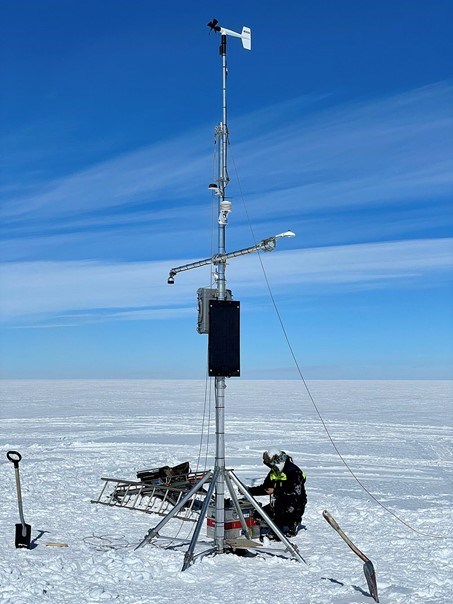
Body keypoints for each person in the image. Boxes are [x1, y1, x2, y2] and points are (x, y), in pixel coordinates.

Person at [247, 449, 307, 538]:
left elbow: (294, 492)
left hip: (294, 505)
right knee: (258, 515)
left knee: (281, 509)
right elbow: (266, 488)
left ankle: (291, 524)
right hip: (277, 503)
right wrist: (249, 491)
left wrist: (275, 491)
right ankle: (275, 523)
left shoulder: (293, 472)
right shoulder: (274, 472)